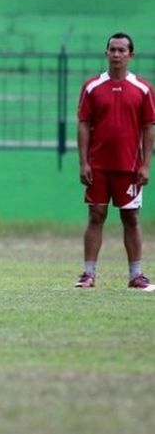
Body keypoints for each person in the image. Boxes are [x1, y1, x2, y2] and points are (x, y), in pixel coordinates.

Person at [74, 32, 155, 292]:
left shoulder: (143, 89)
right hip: (98, 166)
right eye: (113, 50)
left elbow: (148, 127)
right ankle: (88, 274)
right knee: (96, 216)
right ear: (106, 53)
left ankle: (136, 275)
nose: (117, 54)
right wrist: (83, 162)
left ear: (131, 55)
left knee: (131, 217)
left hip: (129, 168)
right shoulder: (92, 87)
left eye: (122, 50)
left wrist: (145, 164)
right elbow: (84, 125)